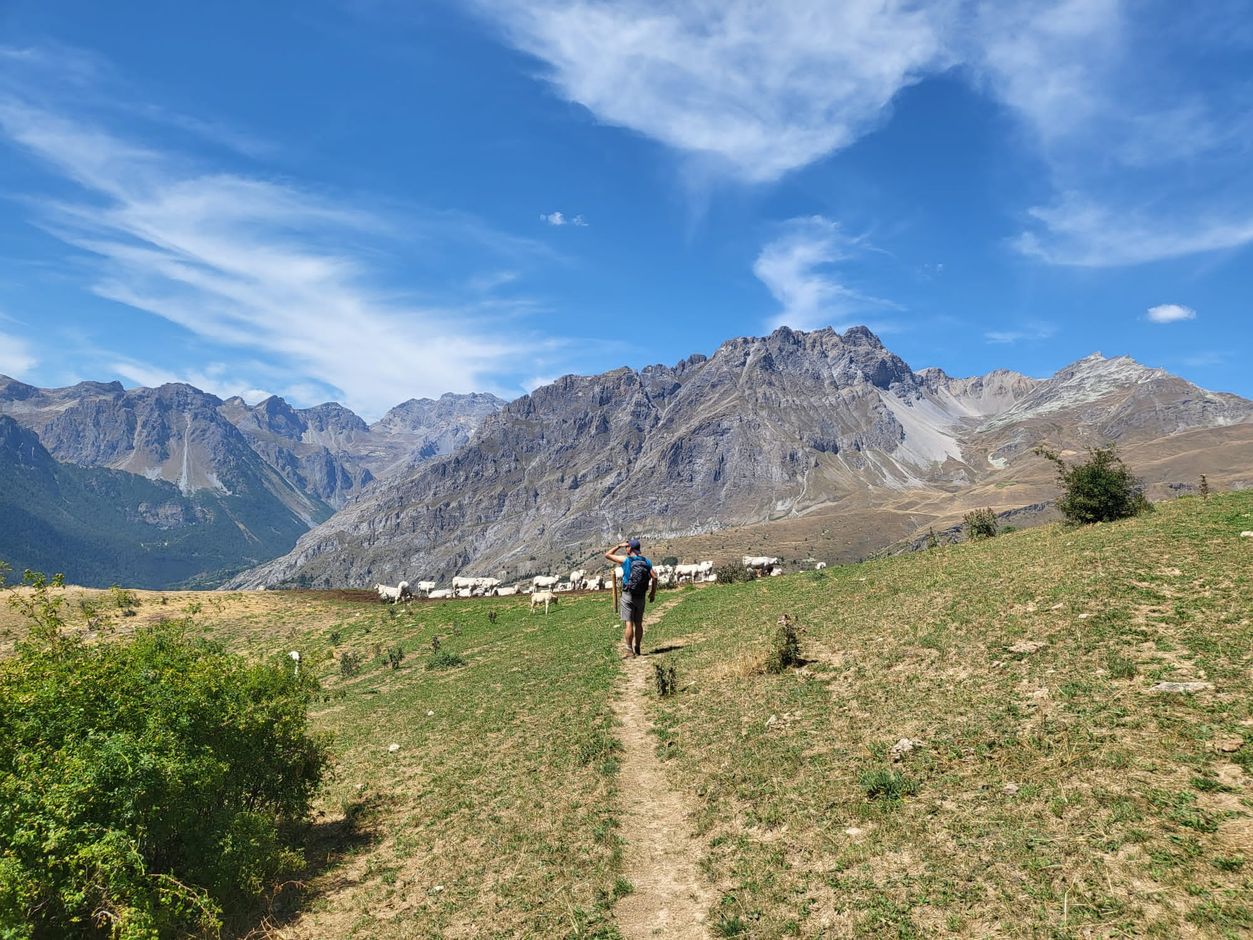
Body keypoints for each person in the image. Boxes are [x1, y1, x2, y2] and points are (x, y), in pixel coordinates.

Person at [604, 537, 657, 657]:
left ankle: (629, 650)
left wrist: (619, 546)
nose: (625, 549)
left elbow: (607, 555)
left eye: (627, 547)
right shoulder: (646, 562)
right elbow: (654, 577)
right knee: (638, 623)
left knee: (629, 623)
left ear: (630, 548)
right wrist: (653, 593)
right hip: (641, 595)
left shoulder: (626, 560)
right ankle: (637, 647)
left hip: (628, 594)